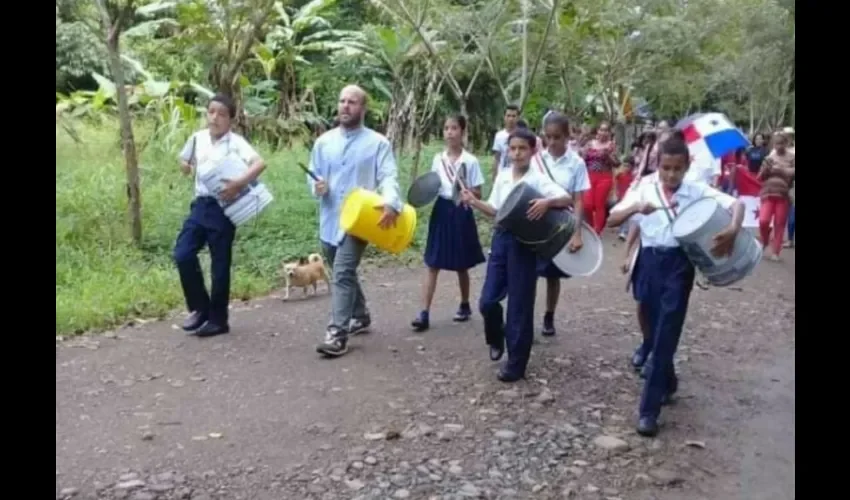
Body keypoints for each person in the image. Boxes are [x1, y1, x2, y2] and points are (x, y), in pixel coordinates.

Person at [608, 135, 744, 437]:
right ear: (658, 165)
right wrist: (634, 210)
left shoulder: (696, 189)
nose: (671, 175)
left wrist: (733, 228)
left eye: (677, 169)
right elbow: (611, 219)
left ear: (686, 166)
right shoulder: (645, 187)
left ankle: (649, 411)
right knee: (652, 328)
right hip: (648, 261)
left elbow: (734, 204)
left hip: (678, 265)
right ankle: (667, 380)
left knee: (667, 331)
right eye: (666, 168)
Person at [460, 128, 572, 382]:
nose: (517, 153)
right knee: (488, 301)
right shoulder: (502, 176)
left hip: (525, 244)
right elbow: (496, 210)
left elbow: (565, 198)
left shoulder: (538, 179)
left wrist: (547, 203)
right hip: (502, 239)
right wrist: (474, 201)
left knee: (520, 305)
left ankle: (516, 364)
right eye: (512, 148)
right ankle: (496, 337)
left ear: (533, 151)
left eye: (522, 148)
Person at [308, 85, 402, 357]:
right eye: (342, 101)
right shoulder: (323, 142)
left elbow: (388, 177)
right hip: (330, 217)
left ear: (363, 108)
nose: (345, 106)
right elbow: (313, 174)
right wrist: (317, 186)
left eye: (352, 102)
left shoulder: (377, 143)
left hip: (361, 220)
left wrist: (391, 202)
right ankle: (360, 315)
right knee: (342, 269)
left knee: (343, 271)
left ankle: (337, 333)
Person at [173, 94, 267, 337]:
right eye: (211, 111)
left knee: (220, 264)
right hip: (200, 204)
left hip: (223, 208)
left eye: (222, 114)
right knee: (183, 253)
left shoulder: (235, 142)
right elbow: (183, 160)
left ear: (230, 120)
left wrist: (238, 183)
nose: (215, 117)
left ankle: (218, 320)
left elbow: (259, 163)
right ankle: (200, 308)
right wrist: (186, 166)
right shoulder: (197, 138)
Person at [411, 115, 486, 332]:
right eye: (446, 128)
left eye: (454, 128)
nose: (450, 132)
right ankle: (424, 313)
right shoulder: (438, 159)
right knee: (432, 262)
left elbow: (479, 191)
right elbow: (433, 185)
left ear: (462, 131)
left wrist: (467, 193)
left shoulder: (470, 161)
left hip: (461, 211)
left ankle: (464, 304)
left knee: (461, 264)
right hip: (442, 210)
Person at [533, 112, 589, 336]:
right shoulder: (537, 161)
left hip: (561, 223)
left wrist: (577, 233)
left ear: (567, 136)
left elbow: (577, 200)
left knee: (553, 274)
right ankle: (525, 317)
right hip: (537, 221)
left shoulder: (576, 164)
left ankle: (549, 315)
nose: (553, 142)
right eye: (548, 137)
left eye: (557, 137)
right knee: (529, 272)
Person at [758, 132, 795, 261]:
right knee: (763, 221)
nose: (779, 146)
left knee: (780, 224)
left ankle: (776, 252)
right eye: (776, 143)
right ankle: (765, 239)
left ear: (786, 143)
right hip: (768, 193)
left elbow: (792, 174)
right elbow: (760, 177)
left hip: (783, 195)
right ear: (773, 144)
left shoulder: (792, 158)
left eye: (781, 143)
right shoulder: (769, 157)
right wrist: (765, 169)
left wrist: (782, 170)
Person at [580, 121, 619, 234]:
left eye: (606, 130)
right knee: (587, 205)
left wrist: (608, 156)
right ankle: (591, 227)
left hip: (604, 177)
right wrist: (583, 152)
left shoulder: (611, 145)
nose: (603, 132)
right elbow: (582, 159)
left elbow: (617, 163)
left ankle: (597, 231)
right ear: (597, 131)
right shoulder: (590, 144)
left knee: (599, 205)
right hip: (589, 175)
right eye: (601, 129)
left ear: (609, 132)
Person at [490, 105, 521, 181]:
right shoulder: (499, 136)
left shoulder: (522, 135)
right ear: (504, 117)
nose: (511, 119)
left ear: (518, 118)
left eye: (514, 116)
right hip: (503, 176)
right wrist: (494, 178)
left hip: (518, 175)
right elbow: (497, 158)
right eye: (508, 116)